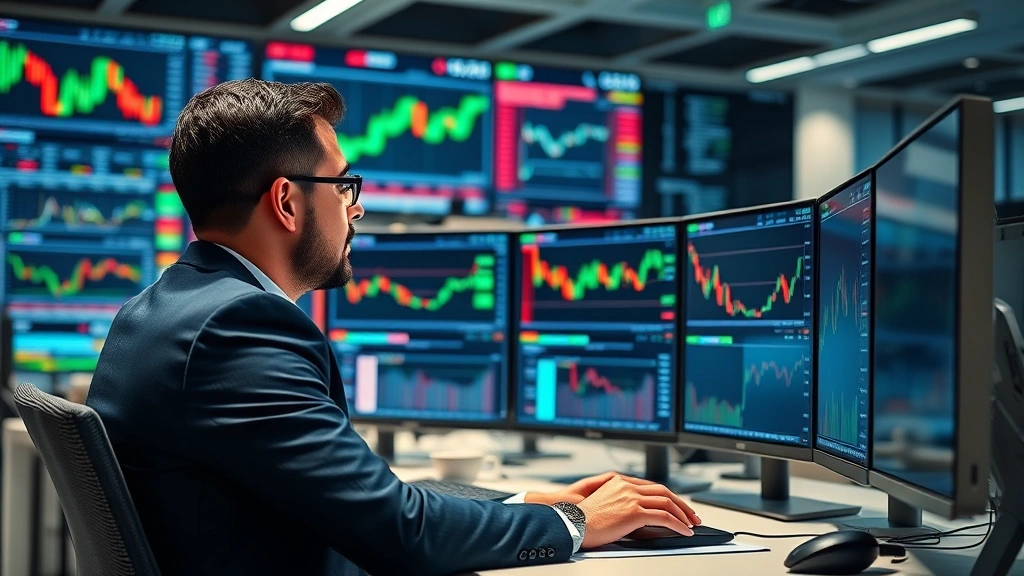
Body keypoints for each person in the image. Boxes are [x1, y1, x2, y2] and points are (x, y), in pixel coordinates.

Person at [86, 78, 700, 576]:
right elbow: (401, 536)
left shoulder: (153, 311)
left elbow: (361, 505)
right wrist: (578, 524)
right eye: (344, 184)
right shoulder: (241, 327)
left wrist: (524, 504)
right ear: (287, 202)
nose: (356, 207)